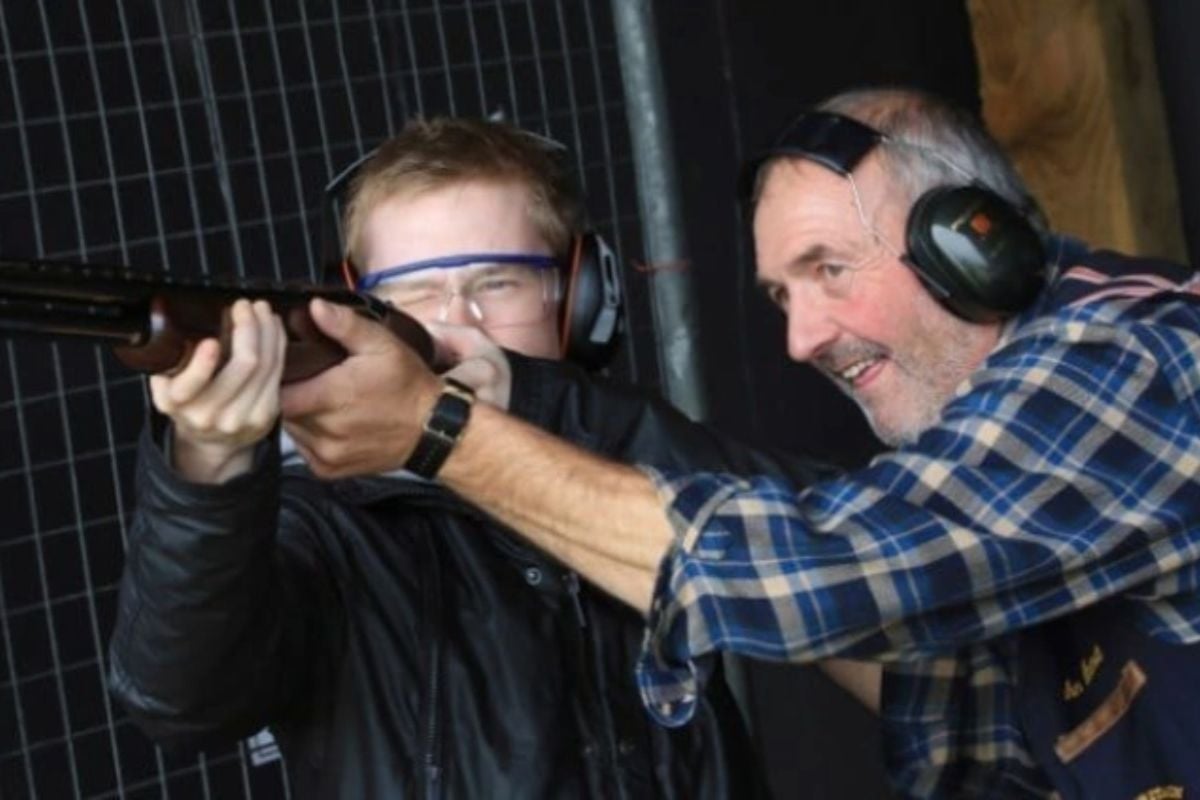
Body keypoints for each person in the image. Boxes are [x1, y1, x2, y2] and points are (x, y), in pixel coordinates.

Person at [277, 89, 1200, 799]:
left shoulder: (1131, 364)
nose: (802, 339)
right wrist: (536, 403)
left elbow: (824, 578)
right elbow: (979, 724)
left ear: (971, 243)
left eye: (829, 270)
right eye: (781, 297)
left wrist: (444, 435)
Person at [107, 117, 830, 798]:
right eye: (413, 292)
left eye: (497, 282)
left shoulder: (632, 448)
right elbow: (176, 698)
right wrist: (207, 470)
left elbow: (843, 545)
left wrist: (543, 405)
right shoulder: (326, 523)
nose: (456, 322)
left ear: (580, 299)